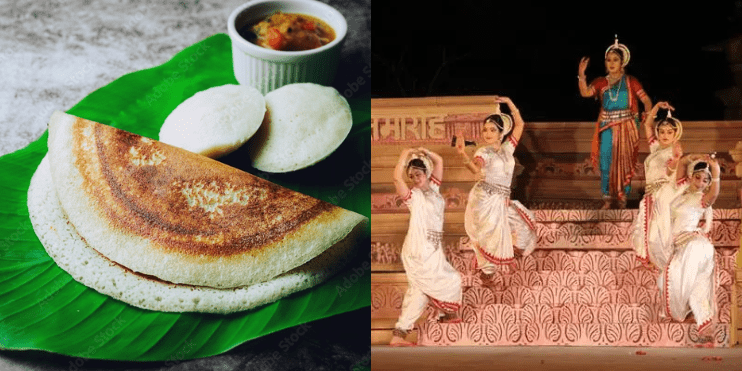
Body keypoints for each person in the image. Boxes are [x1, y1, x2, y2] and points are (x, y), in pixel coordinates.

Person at [455, 96, 537, 276]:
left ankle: (502, 260)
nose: (487, 133)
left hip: (501, 198)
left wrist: (510, 103)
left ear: (502, 133)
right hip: (485, 199)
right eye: (485, 130)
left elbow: (520, 125)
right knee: (487, 236)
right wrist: (463, 155)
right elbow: (476, 170)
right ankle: (487, 274)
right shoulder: (483, 152)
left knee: (523, 224)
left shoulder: (508, 149)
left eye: (492, 129)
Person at [389, 147, 462, 347]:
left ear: (427, 174)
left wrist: (424, 151)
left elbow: (439, 162)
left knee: (441, 283)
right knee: (422, 288)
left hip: (433, 249)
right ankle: (402, 333)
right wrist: (404, 155)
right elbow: (397, 179)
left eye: (419, 174)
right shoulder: (414, 196)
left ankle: (400, 334)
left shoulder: (435, 190)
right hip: (418, 249)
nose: (415, 179)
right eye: (412, 176)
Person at [578, 36, 653, 209]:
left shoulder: (631, 82)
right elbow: (585, 93)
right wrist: (581, 75)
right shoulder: (600, 82)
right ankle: (607, 198)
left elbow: (646, 101)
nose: (611, 63)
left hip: (627, 127)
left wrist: (647, 117)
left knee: (624, 164)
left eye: (615, 60)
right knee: (605, 161)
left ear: (622, 63)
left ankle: (622, 197)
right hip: (607, 126)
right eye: (608, 60)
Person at [657, 153, 720, 339]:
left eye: (705, 180)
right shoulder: (680, 191)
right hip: (679, 246)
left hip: (695, 245)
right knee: (664, 281)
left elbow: (715, 193)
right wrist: (699, 156)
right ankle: (692, 313)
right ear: (691, 176)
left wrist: (715, 171)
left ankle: (703, 320)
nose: (700, 182)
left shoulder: (702, 199)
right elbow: (683, 161)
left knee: (694, 282)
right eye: (697, 177)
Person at [630, 102, 683, 270]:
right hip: (651, 195)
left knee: (660, 233)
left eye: (669, 132)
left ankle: (666, 264)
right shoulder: (655, 148)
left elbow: (671, 171)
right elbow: (647, 124)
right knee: (648, 229)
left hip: (665, 196)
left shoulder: (675, 151)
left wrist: (675, 162)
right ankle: (652, 260)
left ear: (676, 133)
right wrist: (657, 107)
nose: (665, 135)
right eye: (661, 132)